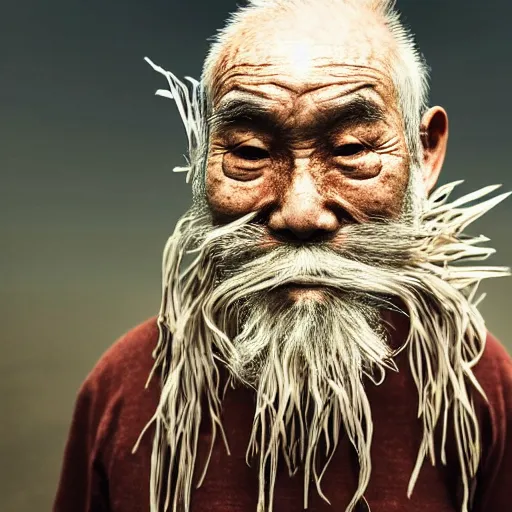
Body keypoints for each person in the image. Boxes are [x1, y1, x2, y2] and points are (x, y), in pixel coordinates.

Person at [53, 1, 512, 511]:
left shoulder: (477, 383)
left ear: (423, 153)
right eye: (249, 152)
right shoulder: (127, 386)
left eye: (351, 148)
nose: (299, 212)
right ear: (203, 159)